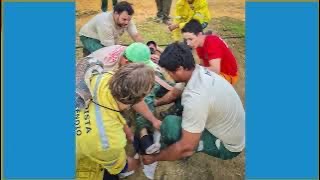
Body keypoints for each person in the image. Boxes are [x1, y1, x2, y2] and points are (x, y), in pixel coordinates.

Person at [142, 42, 245, 165]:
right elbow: (174, 94)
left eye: (169, 72)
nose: (169, 75)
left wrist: (155, 158)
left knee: (170, 125)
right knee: (181, 96)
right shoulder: (197, 71)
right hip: (229, 124)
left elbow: (186, 147)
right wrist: (154, 103)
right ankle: (189, 129)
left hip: (228, 145)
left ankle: (177, 146)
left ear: (180, 69)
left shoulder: (196, 97)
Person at [76, 63, 155, 180]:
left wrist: (129, 134)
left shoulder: (103, 78)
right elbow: (122, 167)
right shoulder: (107, 141)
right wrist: (139, 162)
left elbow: (110, 109)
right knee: (111, 175)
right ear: (141, 98)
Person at [182, 19, 239, 84]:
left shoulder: (212, 42)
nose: (188, 43)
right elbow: (203, 65)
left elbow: (215, 70)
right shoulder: (199, 45)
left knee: (198, 82)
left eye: (190, 39)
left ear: (200, 34)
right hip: (217, 73)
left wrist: (194, 71)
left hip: (228, 75)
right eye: (186, 40)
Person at [79, 1, 143, 56]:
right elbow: (111, 49)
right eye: (124, 19)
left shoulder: (126, 19)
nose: (127, 22)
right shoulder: (105, 23)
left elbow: (136, 36)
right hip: (89, 37)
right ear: (116, 14)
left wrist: (144, 49)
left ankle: (89, 51)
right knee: (105, 56)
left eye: (129, 20)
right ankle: (88, 50)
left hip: (106, 37)